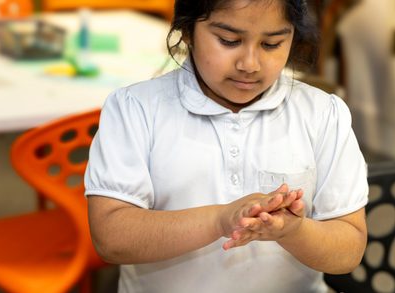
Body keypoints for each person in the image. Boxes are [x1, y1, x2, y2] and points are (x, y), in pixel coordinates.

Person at [84, 0, 369, 292]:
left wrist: (296, 231)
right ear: (188, 31)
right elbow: (112, 239)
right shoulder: (135, 109)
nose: (250, 64)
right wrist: (220, 220)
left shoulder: (323, 114)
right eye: (229, 40)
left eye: (271, 44)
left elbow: (348, 252)